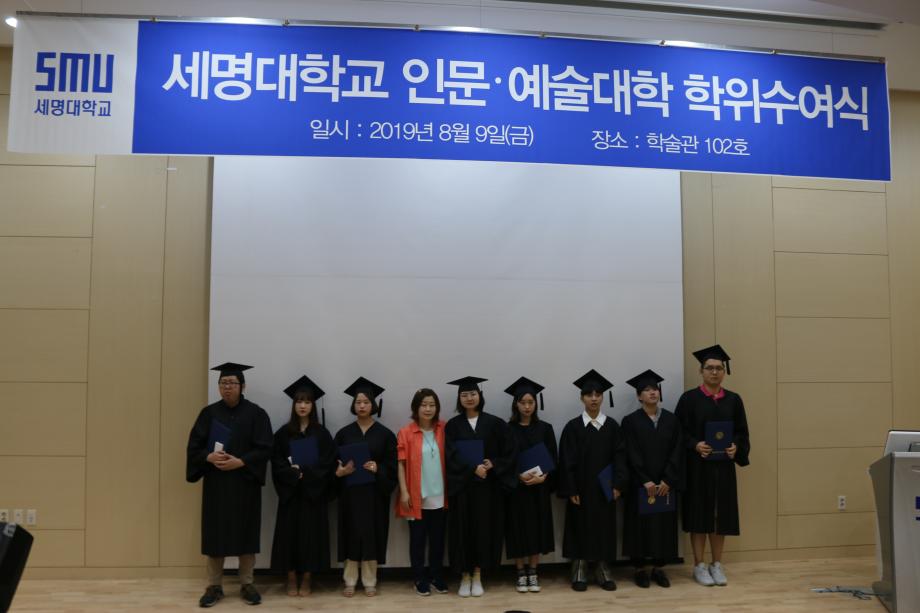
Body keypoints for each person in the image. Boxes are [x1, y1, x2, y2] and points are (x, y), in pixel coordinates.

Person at [186, 362, 273, 608]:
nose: (227, 387)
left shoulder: (256, 414)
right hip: (217, 485)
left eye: (232, 383)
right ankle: (214, 585)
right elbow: (194, 447)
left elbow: (265, 447)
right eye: (223, 383)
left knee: (246, 534)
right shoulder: (208, 414)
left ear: (242, 386)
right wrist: (208, 457)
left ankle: (247, 583)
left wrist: (242, 462)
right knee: (216, 535)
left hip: (245, 484)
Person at [674, 345, 751, 587]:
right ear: (701, 370)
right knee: (699, 515)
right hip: (698, 467)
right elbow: (678, 433)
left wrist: (736, 448)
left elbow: (742, 433)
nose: (714, 372)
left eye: (719, 368)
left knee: (720, 516)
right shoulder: (689, 399)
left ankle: (717, 564)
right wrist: (695, 445)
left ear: (724, 372)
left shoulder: (733, 400)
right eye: (709, 368)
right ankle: (699, 565)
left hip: (723, 468)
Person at [444, 376, 517, 598]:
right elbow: (450, 456)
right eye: (464, 394)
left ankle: (477, 575)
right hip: (463, 489)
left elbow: (510, 452)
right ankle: (464, 576)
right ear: (459, 398)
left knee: (483, 531)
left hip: (488, 490)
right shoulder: (452, 426)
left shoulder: (496, 423)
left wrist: (493, 463)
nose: (469, 398)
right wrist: (472, 469)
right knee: (462, 531)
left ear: (480, 396)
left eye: (473, 394)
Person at [557, 369, 628, 592]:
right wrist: (571, 489)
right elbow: (566, 460)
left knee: (604, 527)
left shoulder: (612, 427)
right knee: (579, 526)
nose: (594, 398)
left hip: (605, 489)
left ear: (603, 397)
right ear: (582, 398)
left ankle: (602, 568)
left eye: (598, 394)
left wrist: (618, 484)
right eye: (589, 395)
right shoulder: (573, 427)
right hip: (581, 489)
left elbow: (620, 457)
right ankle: (579, 568)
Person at [269, 375, 337, 597]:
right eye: (299, 401)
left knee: (311, 537)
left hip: (312, 495)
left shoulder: (322, 434)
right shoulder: (283, 433)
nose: (303, 405)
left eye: (307, 401)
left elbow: (328, 464)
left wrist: (306, 473)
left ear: (313, 405)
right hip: (291, 495)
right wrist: (292, 474)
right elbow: (276, 462)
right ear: (294, 404)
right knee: (289, 536)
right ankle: (290, 577)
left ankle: (307, 577)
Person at [332, 377, 397, 597]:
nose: (362, 405)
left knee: (371, 534)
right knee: (350, 533)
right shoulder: (343, 434)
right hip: (350, 493)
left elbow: (392, 465)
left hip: (374, 494)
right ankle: (349, 580)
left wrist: (379, 468)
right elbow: (333, 463)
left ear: (373, 405)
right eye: (358, 402)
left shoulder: (385, 434)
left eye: (366, 402)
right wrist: (340, 472)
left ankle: (370, 580)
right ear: (353, 404)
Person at [621, 369, 684, 589]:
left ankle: (659, 568)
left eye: (655, 389)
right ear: (639, 396)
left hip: (665, 485)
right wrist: (645, 480)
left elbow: (677, 450)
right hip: (641, 485)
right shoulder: (630, 422)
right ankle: (639, 569)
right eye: (647, 390)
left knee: (663, 526)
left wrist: (668, 479)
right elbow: (631, 452)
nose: (652, 393)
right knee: (639, 526)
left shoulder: (672, 420)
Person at [503, 376, 557, 594]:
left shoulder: (545, 429)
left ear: (536, 404)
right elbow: (504, 459)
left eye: (530, 402)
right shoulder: (507, 429)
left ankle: (533, 571)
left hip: (539, 488)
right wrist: (517, 476)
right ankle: (520, 571)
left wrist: (544, 477)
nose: (527, 406)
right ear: (516, 404)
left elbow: (553, 458)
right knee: (517, 529)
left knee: (536, 529)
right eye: (523, 402)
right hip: (517, 489)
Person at [395, 388, 449, 596]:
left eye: (432, 405)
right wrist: (404, 491)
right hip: (416, 495)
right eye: (423, 405)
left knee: (438, 540)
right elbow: (401, 464)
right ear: (416, 408)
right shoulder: (406, 432)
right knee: (417, 540)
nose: (428, 409)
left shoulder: (443, 429)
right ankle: (419, 577)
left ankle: (436, 575)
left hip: (440, 494)